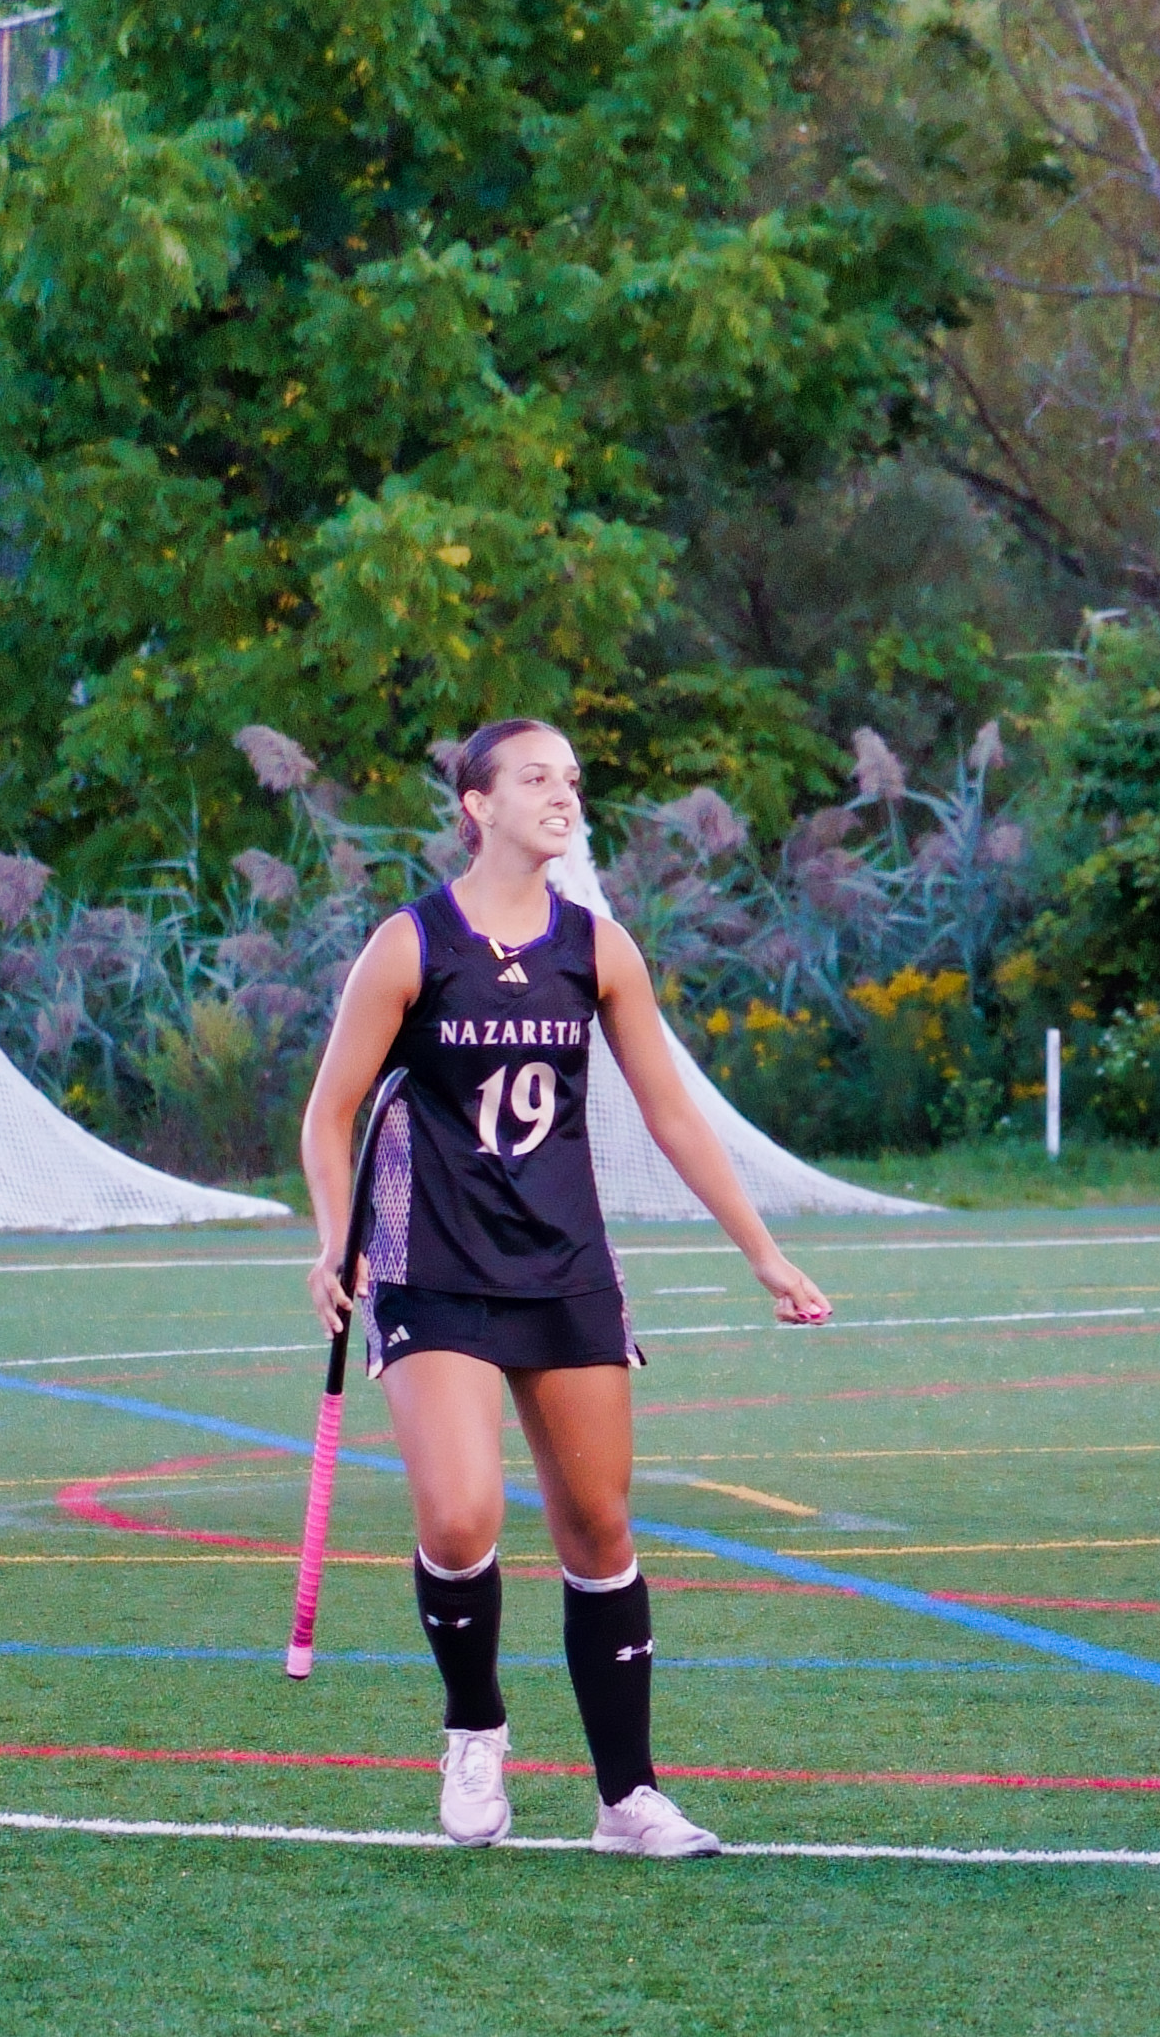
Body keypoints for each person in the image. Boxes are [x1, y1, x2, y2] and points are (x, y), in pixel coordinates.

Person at [292, 718, 835, 1860]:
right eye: (536, 777)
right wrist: (337, 1237)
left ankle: (626, 1799)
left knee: (598, 1526)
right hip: (430, 1260)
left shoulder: (599, 948)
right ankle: (476, 1725)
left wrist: (763, 1251)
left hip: (564, 1263)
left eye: (573, 780)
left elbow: (673, 1113)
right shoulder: (410, 944)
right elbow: (329, 1110)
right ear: (475, 805)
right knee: (461, 1512)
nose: (564, 795)